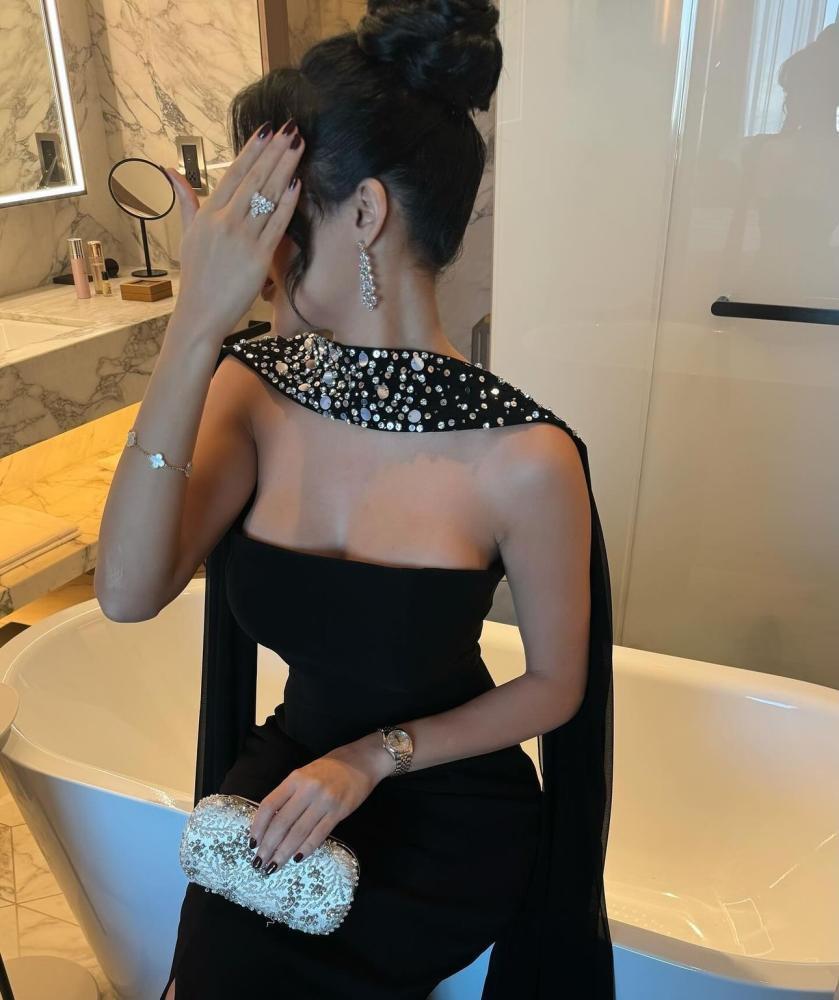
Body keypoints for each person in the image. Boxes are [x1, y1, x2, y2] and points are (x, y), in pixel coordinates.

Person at [94, 2, 615, 997]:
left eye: (275, 220)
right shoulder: (252, 392)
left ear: (365, 213)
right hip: (288, 778)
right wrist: (190, 329)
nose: (255, 256)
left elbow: (555, 686)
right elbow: (124, 593)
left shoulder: (525, 458)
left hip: (443, 802)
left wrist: (373, 759)